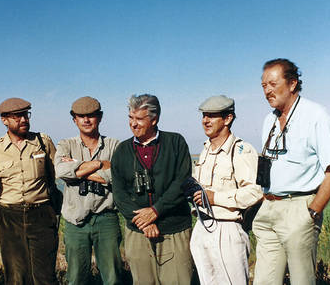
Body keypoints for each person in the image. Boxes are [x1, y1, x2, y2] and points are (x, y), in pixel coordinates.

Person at [253, 58, 330, 285]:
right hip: (269, 208)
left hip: (299, 209)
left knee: (302, 281)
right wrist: (265, 201)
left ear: (292, 84)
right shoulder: (267, 121)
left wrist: (312, 212)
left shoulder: (316, 116)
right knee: (264, 281)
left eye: (272, 84)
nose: (267, 91)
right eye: (263, 86)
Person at [111, 94, 193, 285]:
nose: (133, 124)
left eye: (139, 119)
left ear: (154, 119)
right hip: (138, 232)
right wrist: (143, 221)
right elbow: (120, 194)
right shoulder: (122, 151)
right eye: (130, 118)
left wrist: (156, 211)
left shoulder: (176, 143)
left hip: (174, 230)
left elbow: (182, 182)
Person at [190, 95, 263, 285]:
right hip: (201, 226)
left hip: (228, 228)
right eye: (204, 115)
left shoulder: (241, 150)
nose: (205, 120)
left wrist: (216, 198)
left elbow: (255, 193)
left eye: (212, 116)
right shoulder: (206, 149)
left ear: (228, 119)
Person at [0, 97, 59, 285]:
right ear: (4, 120)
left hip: (42, 214)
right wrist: (6, 200)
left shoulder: (43, 142)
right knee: (16, 276)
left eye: (26, 115)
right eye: (17, 116)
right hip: (10, 216)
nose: (24, 120)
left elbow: (55, 173)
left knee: (45, 275)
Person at [54, 96, 123, 285]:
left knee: (113, 277)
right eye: (81, 116)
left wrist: (76, 168)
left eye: (91, 115)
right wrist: (100, 164)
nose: (86, 120)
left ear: (100, 117)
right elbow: (60, 171)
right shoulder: (66, 145)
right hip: (75, 221)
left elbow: (116, 176)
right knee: (76, 277)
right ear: (74, 119)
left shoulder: (114, 145)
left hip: (106, 218)